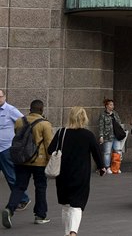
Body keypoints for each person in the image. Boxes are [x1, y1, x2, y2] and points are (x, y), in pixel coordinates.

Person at [49, 106, 106, 236]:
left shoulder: (61, 132)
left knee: (65, 204)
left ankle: (66, 232)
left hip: (62, 174)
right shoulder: (88, 135)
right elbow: (97, 153)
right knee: (77, 204)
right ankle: (73, 232)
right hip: (81, 174)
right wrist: (101, 167)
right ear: (84, 118)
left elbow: (50, 149)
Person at [2, 99, 53, 228]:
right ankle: (40, 215)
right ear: (41, 110)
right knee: (40, 187)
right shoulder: (45, 124)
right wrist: (50, 161)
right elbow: (49, 145)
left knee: (19, 186)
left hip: (21, 160)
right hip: (39, 161)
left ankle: (10, 209)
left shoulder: (20, 121)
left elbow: (18, 137)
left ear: (30, 109)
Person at [0, 89, 30, 211]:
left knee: (11, 176)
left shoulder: (10, 110)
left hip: (6, 150)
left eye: (0, 96)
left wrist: (18, 140)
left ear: (4, 97)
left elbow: (25, 124)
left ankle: (23, 199)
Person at [98, 99, 124, 174]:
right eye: (111, 105)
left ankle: (116, 167)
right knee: (107, 152)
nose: (112, 106)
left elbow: (119, 123)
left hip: (116, 136)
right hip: (107, 136)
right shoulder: (103, 115)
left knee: (117, 151)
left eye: (113, 104)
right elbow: (101, 126)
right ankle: (107, 167)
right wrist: (101, 136)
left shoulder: (115, 113)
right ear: (107, 106)